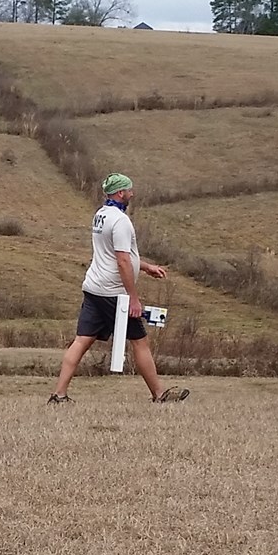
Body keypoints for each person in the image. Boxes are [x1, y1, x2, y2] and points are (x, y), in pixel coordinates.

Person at [48, 173, 189, 405]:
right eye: (129, 190)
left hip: (94, 288)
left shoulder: (101, 215)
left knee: (82, 340)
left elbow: (112, 255)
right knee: (140, 342)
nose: (132, 194)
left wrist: (144, 267)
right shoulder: (121, 221)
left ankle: (59, 395)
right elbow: (123, 260)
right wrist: (133, 298)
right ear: (121, 193)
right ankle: (159, 395)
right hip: (115, 294)